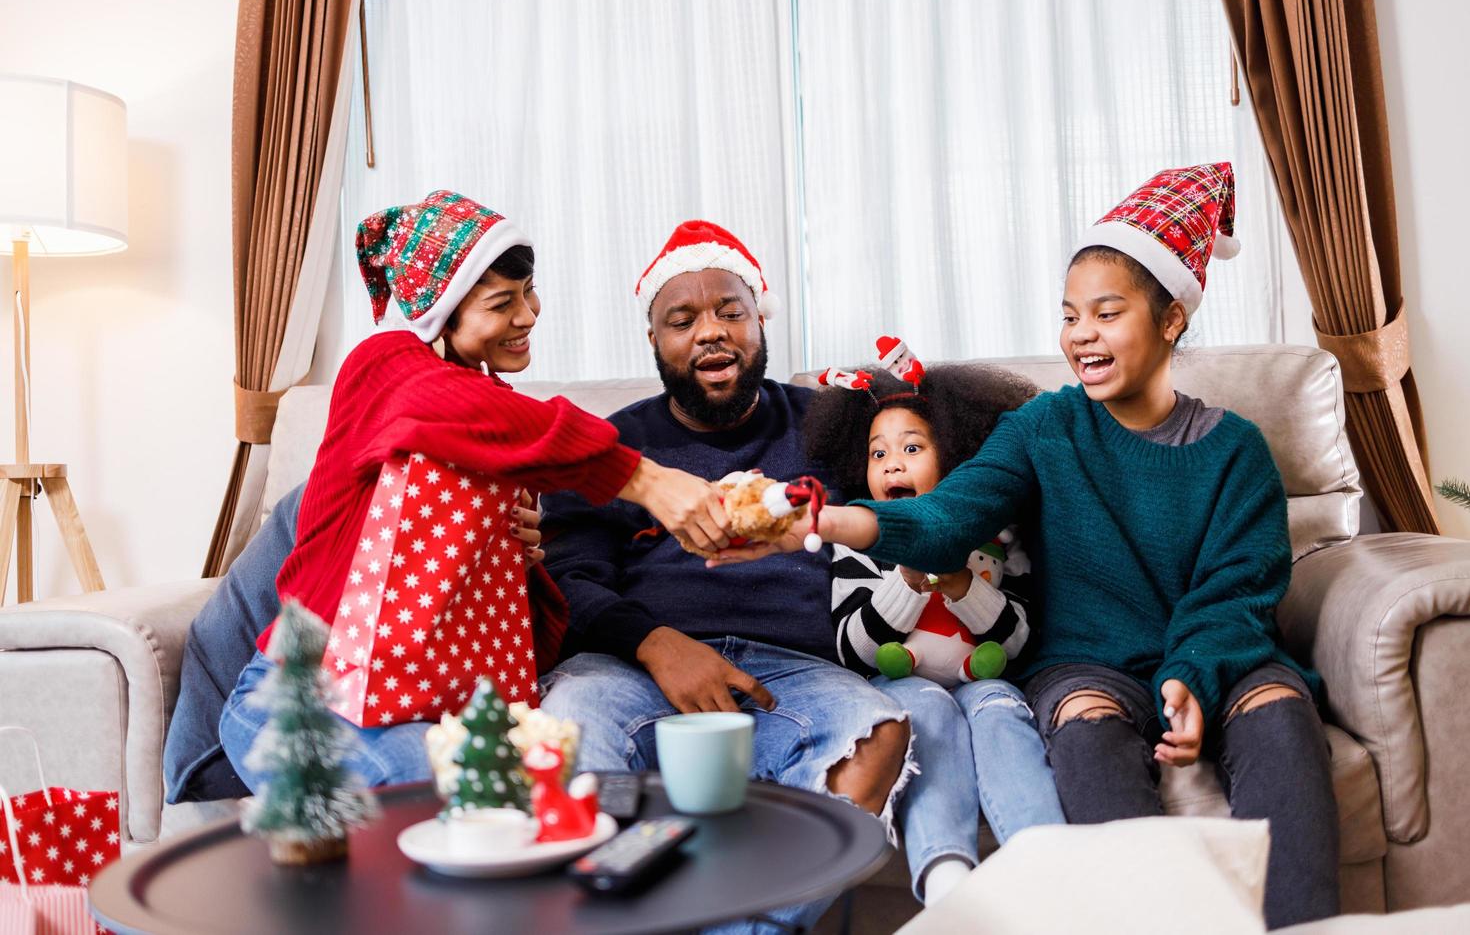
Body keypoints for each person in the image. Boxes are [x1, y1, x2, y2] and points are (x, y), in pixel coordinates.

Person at [714, 164, 1340, 929]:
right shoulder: (1045, 428)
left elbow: (1238, 590)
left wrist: (1190, 677)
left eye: (1106, 314)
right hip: (1088, 664)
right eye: (1070, 315)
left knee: (1279, 704)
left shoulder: (1235, 450)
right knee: (1084, 724)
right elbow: (949, 516)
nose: (1081, 335)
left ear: (1171, 317)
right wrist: (819, 521)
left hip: (1223, 651)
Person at [218, 191, 728, 790]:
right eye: (500, 303)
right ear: (440, 312)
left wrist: (517, 558)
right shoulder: (384, 366)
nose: (528, 314)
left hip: (426, 701)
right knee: (461, 800)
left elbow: (502, 622)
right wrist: (643, 477)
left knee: (525, 795)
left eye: (528, 292)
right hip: (306, 694)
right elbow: (455, 406)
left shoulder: (501, 430)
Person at [538, 220, 912, 932]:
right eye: (682, 320)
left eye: (730, 312)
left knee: (876, 732)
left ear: (760, 320)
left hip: (793, 676)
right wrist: (655, 643)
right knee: (568, 722)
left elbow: (913, 482)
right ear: (655, 339)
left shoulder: (829, 424)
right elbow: (567, 575)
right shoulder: (616, 447)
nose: (710, 332)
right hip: (633, 671)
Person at [803, 363, 1065, 905]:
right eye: (879, 454)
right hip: (902, 682)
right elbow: (853, 650)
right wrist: (907, 580)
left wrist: (966, 583)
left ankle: (1043, 857)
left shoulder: (994, 541)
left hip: (983, 677)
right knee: (927, 708)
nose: (892, 463)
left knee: (999, 704)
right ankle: (948, 881)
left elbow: (1018, 642)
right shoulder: (859, 540)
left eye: (912, 449)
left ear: (955, 458)